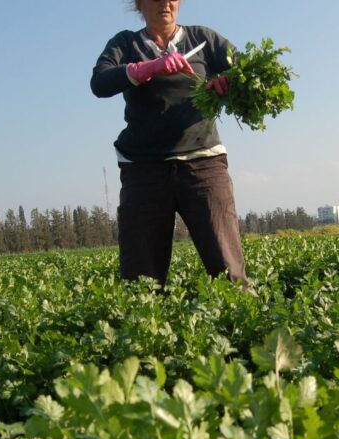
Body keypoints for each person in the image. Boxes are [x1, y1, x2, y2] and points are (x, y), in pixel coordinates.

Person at [91, 0, 246, 287]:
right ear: (139, 4)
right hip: (144, 170)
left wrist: (225, 83)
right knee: (142, 278)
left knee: (228, 271)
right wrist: (145, 69)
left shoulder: (203, 38)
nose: (165, 2)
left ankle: (238, 326)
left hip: (203, 164)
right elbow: (99, 82)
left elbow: (244, 71)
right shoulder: (126, 43)